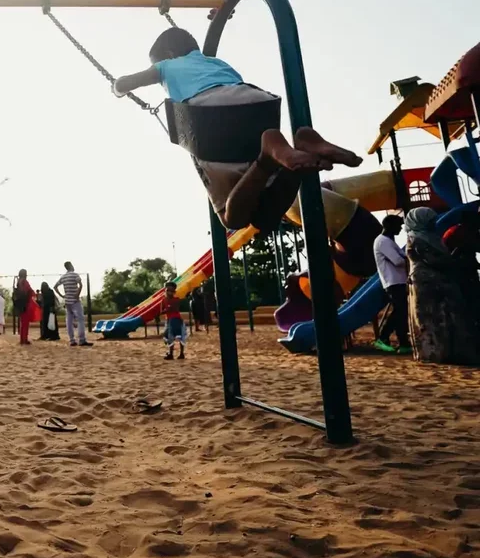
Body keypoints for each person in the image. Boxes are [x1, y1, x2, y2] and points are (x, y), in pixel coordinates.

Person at [113, 28, 362, 231]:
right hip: (258, 106)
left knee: (232, 220)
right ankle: (302, 145)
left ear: (168, 54)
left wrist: (118, 88)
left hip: (212, 119)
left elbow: (127, 83)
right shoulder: (216, 62)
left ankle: (267, 156)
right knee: (265, 218)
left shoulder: (166, 66)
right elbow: (231, 90)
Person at [406, 207, 480, 365]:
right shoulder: (417, 239)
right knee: (432, 320)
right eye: (430, 220)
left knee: (447, 318)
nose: (434, 223)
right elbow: (434, 260)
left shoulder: (431, 238)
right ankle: (435, 353)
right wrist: (456, 261)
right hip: (427, 286)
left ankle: (450, 351)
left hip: (441, 283)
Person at [372, 214, 412, 354]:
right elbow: (398, 261)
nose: (400, 229)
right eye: (398, 226)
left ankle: (403, 343)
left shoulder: (389, 241)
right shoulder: (383, 241)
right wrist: (411, 259)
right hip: (393, 281)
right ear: (390, 226)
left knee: (401, 313)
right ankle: (382, 338)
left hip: (398, 281)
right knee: (399, 312)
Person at [55, 261, 91, 347]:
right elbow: (80, 285)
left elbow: (55, 286)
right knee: (80, 320)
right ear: (70, 266)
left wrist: (62, 295)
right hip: (75, 301)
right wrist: (77, 294)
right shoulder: (75, 275)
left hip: (67, 301)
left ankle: (72, 340)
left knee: (69, 321)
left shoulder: (63, 277)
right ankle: (82, 340)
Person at [13, 269, 41, 345]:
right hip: (25, 304)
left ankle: (23, 339)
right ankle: (24, 339)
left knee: (23, 323)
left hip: (20, 304)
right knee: (25, 323)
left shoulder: (18, 282)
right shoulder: (24, 282)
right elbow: (29, 291)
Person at [161, 281, 186, 359]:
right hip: (169, 320)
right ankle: (171, 353)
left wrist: (167, 310)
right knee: (168, 336)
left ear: (174, 292)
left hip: (176, 320)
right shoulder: (163, 300)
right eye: (168, 290)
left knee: (178, 336)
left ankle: (180, 353)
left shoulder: (176, 299)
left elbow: (174, 309)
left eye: (171, 291)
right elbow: (162, 310)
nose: (169, 292)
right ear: (165, 290)